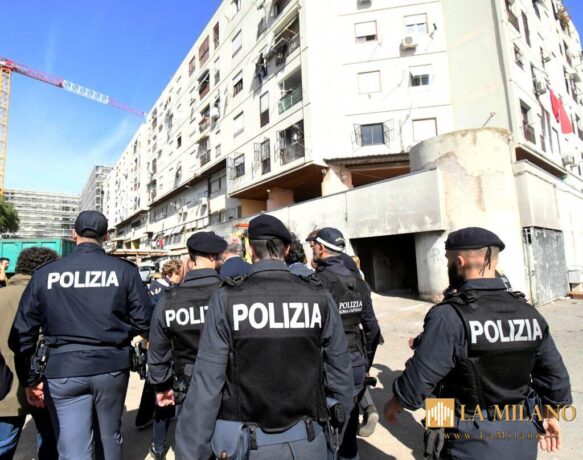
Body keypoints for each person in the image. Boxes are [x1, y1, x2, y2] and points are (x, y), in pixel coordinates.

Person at [175, 214, 354, 460]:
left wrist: (191, 452)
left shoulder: (227, 298)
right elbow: (341, 373)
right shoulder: (318, 295)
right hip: (308, 441)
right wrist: (336, 432)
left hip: (247, 445)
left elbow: (207, 384)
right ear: (287, 249)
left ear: (250, 250)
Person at [384, 227, 573, 459]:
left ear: (459, 262)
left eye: (448, 261)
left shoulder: (448, 314)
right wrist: (550, 414)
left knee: (438, 432)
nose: (448, 266)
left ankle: (435, 440)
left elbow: (421, 377)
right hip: (520, 433)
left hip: (466, 434)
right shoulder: (529, 313)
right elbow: (555, 379)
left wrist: (397, 402)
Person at [8, 210, 153, 460]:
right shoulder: (124, 271)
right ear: (106, 236)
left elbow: (21, 334)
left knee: (73, 445)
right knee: (109, 436)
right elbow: (145, 321)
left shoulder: (46, 273)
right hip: (111, 366)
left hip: (63, 369)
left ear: (73, 233)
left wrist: (29, 379)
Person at [147, 231, 227, 459]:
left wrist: (161, 386)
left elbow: (158, 349)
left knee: (192, 446)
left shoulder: (169, 300)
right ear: (214, 257)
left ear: (191, 259)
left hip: (187, 386)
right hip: (226, 383)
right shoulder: (230, 293)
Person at [309, 227, 380, 460]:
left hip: (328, 366)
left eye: (313, 246)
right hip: (356, 363)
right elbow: (372, 329)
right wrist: (366, 362)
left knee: (324, 433)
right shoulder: (360, 283)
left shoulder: (317, 283)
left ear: (321, 248)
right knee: (349, 431)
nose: (312, 250)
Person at [0, 247, 59, 459]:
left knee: (4, 443)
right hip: (41, 383)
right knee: (49, 439)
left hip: (4, 384)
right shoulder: (49, 298)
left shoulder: (2, 294)